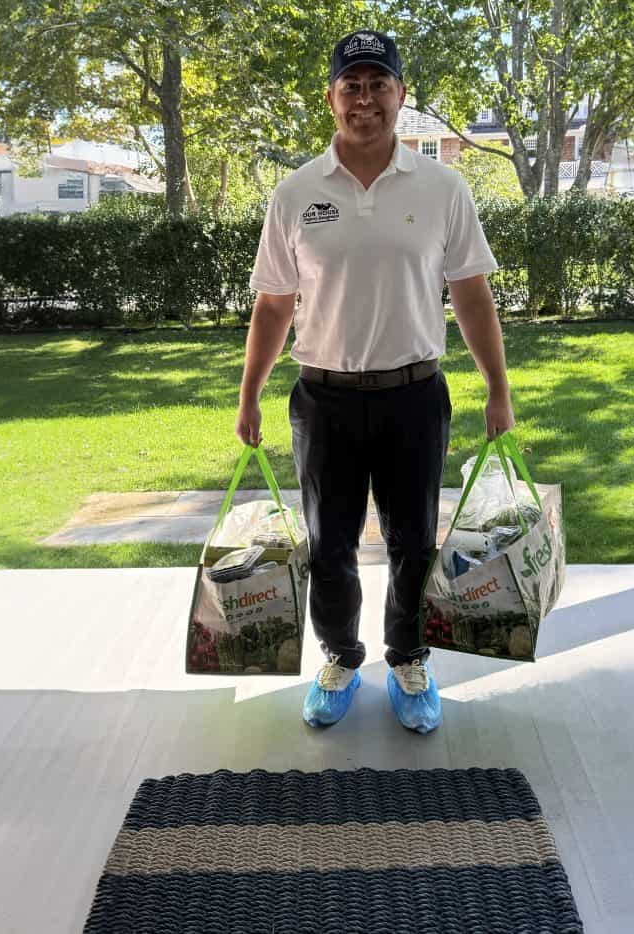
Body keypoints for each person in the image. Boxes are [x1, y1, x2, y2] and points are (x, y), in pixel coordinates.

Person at [235, 29, 514, 734]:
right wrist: (249, 394)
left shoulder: (443, 187)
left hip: (415, 394)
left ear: (400, 94)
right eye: (351, 85)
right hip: (323, 399)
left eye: (378, 84)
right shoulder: (296, 193)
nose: (365, 98)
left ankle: (409, 658)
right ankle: (340, 657)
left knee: (415, 540)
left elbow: (472, 295)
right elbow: (273, 303)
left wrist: (497, 389)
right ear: (331, 98)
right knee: (328, 544)